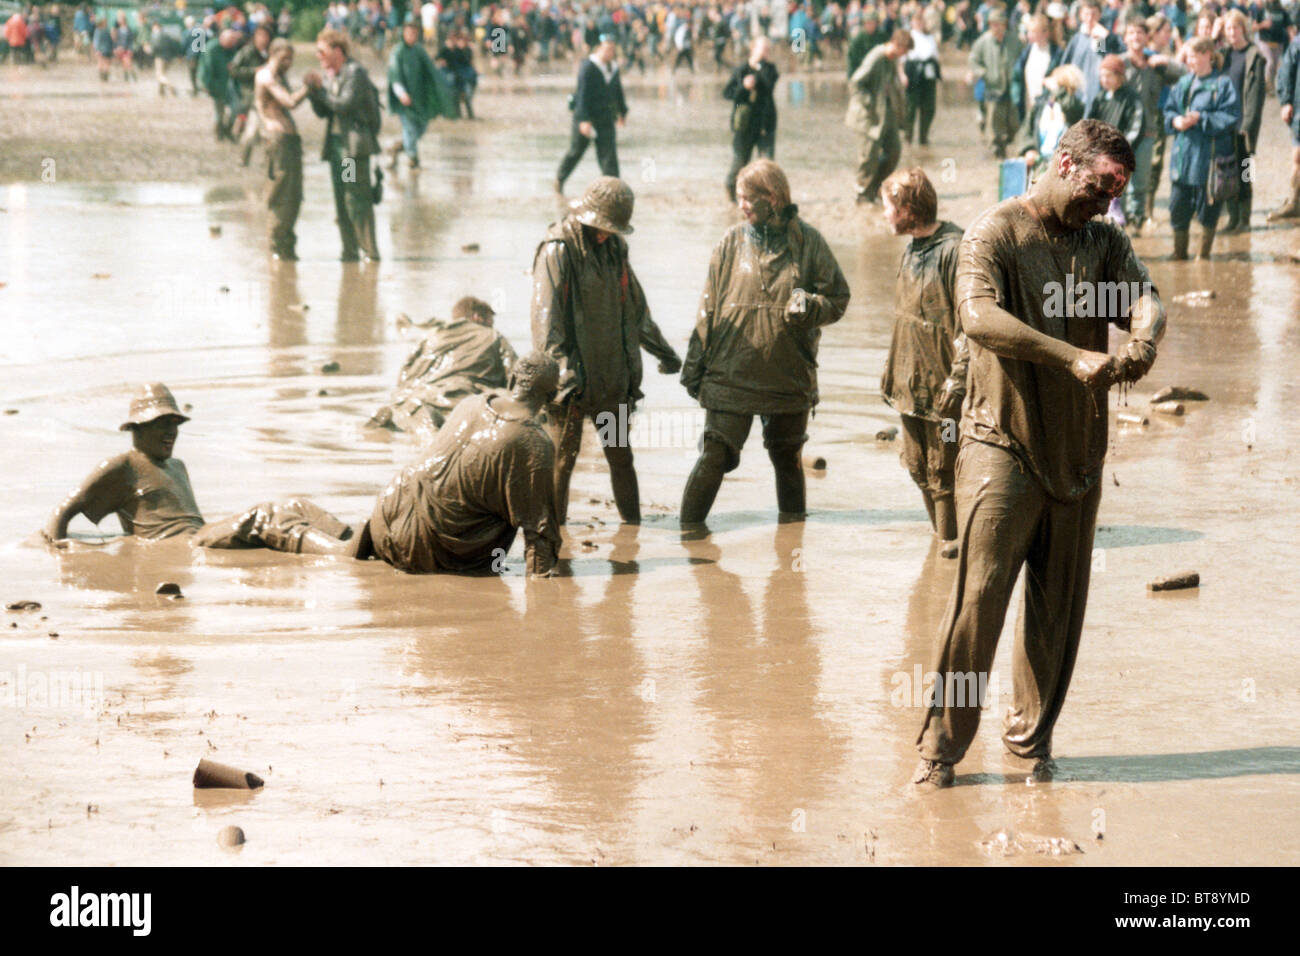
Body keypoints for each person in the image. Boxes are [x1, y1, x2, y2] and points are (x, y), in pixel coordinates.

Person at [912, 119, 1166, 792]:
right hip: (1002, 445)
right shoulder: (994, 232)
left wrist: (1144, 335)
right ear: (1062, 162)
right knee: (979, 601)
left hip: (1077, 452)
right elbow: (978, 318)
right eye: (1097, 185)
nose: (1104, 202)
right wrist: (1072, 355)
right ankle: (941, 751)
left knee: (1057, 609)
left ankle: (1030, 746)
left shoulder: (1103, 242)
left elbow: (1144, 297)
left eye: (1115, 191)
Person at [679, 160, 850, 525]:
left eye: (746, 198)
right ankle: (688, 537)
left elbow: (838, 297)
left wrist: (812, 306)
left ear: (771, 198)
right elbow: (707, 310)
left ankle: (791, 549)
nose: (740, 205)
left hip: (788, 374)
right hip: (730, 373)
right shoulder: (730, 242)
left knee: (787, 458)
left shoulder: (809, 242)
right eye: (738, 198)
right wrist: (694, 368)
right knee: (714, 455)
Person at [42, 384, 356, 556]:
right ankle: (341, 556)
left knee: (294, 505)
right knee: (264, 516)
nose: (170, 432)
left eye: (174, 423)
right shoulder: (124, 465)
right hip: (181, 546)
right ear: (137, 429)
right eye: (161, 424)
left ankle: (357, 540)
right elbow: (66, 509)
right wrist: (59, 549)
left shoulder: (177, 465)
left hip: (201, 533)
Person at [530, 177, 682, 525]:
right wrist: (565, 380)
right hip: (571, 385)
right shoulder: (557, 249)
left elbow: (636, 312)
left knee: (620, 455)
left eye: (611, 229)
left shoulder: (616, 250)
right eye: (599, 227)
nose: (603, 234)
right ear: (583, 214)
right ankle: (554, 543)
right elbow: (545, 323)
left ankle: (633, 530)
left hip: (611, 382)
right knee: (562, 462)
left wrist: (664, 352)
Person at [357, 351, 564, 576]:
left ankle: (355, 538)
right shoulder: (534, 443)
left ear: (512, 380)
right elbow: (540, 531)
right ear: (552, 396)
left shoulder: (471, 403)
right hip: (431, 557)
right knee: (512, 502)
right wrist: (543, 584)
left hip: (387, 515)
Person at [878, 168, 967, 558]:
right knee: (916, 468)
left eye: (889, 208)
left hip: (946, 396)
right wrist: (891, 375)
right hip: (910, 390)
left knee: (944, 471)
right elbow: (905, 321)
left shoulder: (956, 251)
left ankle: (952, 548)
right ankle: (942, 545)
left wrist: (957, 382)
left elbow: (970, 328)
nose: (884, 215)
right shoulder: (911, 248)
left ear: (910, 209)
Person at [369, 296, 520, 433]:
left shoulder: (431, 334)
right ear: (477, 317)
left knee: (408, 413)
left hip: (415, 394)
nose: (491, 326)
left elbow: (405, 373)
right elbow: (516, 377)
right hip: (460, 393)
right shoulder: (493, 336)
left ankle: (399, 416)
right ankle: (429, 419)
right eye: (490, 321)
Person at [304, 27, 383, 263]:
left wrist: (320, 90)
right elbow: (323, 111)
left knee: (355, 199)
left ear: (337, 51)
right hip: (336, 147)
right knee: (341, 199)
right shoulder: (333, 74)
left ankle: (369, 251)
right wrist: (313, 92)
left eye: (322, 51)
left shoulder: (354, 72)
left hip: (350, 150)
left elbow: (344, 105)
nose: (318, 56)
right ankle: (349, 252)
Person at [1164, 37, 1240, 260]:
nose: (1189, 60)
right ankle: (1179, 254)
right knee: (1177, 206)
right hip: (1183, 156)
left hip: (1209, 159)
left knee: (1209, 209)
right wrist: (1175, 121)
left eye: (1194, 55)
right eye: (1187, 56)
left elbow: (1231, 117)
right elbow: (1168, 111)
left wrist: (1201, 118)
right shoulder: (1183, 83)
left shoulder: (1223, 84)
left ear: (1208, 54)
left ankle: (1202, 257)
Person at [1120, 16, 1183, 235]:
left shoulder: (1155, 63)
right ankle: (1122, 223)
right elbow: (1099, 60)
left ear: (1147, 37)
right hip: (1121, 132)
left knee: (1142, 181)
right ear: (1125, 38)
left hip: (1147, 130)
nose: (1136, 37)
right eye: (1131, 33)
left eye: (1140, 33)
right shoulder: (1120, 63)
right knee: (1120, 181)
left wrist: (1166, 61)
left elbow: (1186, 74)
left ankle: (1137, 222)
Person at [255, 37, 311, 261]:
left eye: (291, 59)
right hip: (277, 139)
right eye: (284, 58)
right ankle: (277, 248)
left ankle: (286, 249)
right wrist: (309, 87)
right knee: (281, 194)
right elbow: (289, 101)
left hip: (288, 141)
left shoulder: (278, 76)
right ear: (273, 53)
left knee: (295, 195)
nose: (288, 62)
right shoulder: (266, 76)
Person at [554, 33, 627, 195]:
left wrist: (622, 111)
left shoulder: (613, 68)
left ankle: (613, 191)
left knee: (609, 156)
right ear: (600, 48)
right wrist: (583, 120)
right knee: (575, 151)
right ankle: (559, 180)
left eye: (612, 50)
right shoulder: (588, 67)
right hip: (587, 117)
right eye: (607, 49)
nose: (610, 53)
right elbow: (582, 95)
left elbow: (618, 92)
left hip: (606, 118)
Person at [846, 28, 912, 203]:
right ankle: (862, 194)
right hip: (867, 115)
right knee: (868, 157)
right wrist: (869, 103)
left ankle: (875, 187)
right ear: (897, 45)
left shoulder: (890, 59)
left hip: (884, 113)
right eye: (903, 51)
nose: (903, 56)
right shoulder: (876, 57)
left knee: (894, 151)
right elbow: (855, 83)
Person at [1218, 10, 1266, 234]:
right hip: (1224, 125)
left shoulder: (1254, 55)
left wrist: (1248, 125)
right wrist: (1215, 32)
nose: (1232, 32)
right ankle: (1233, 219)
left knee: (1246, 172)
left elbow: (1256, 96)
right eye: (1228, 29)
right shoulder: (1223, 54)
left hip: (1243, 126)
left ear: (1244, 28)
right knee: (1227, 173)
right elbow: (1201, 54)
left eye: (1236, 28)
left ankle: (1245, 220)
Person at [1085, 54, 1144, 226]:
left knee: (1120, 191)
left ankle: (1128, 223)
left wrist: (1121, 148)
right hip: (1101, 153)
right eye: (1102, 76)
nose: (1105, 80)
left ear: (1119, 76)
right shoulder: (1100, 97)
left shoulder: (1131, 97)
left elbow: (1136, 126)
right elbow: (1089, 123)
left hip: (1120, 154)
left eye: (1109, 76)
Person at [723, 35, 779, 202]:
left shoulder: (770, 69)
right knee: (740, 162)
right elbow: (727, 93)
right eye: (762, 48)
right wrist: (743, 87)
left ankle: (766, 200)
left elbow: (768, 86)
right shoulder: (741, 70)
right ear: (753, 48)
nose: (765, 51)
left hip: (765, 124)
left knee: (767, 165)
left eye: (768, 49)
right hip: (745, 125)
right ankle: (731, 192)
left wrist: (759, 68)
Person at [386, 18, 443, 170]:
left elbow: (430, 69)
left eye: (415, 33)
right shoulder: (397, 51)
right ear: (404, 33)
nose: (412, 36)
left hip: (420, 98)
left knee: (421, 127)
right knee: (409, 128)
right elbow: (394, 74)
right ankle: (413, 159)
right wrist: (401, 93)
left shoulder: (419, 50)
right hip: (404, 99)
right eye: (409, 32)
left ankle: (397, 148)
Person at [968, 9, 1023, 158]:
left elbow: (1022, 57)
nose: (996, 28)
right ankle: (997, 154)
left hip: (1012, 88)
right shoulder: (983, 42)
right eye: (993, 25)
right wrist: (983, 73)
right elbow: (973, 60)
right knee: (994, 125)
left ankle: (1008, 146)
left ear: (1005, 25)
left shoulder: (1014, 40)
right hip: (993, 88)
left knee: (1014, 124)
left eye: (999, 24)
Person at [1062, 0, 1124, 111]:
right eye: (1086, 14)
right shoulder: (1077, 38)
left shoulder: (1100, 37)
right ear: (1081, 15)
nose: (1090, 18)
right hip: (1076, 92)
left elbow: (1104, 57)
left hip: (1095, 91)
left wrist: (1105, 38)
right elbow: (1065, 64)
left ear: (1100, 15)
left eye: (1094, 14)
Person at [1269, 29, 1300, 222]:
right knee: (1298, 156)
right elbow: (1285, 71)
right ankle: (1295, 202)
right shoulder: (1298, 43)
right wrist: (1286, 101)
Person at [229, 25, 272, 165]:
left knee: (268, 132)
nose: (263, 39)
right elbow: (234, 70)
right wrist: (254, 71)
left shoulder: (271, 54)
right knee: (252, 131)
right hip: (251, 96)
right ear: (255, 37)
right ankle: (243, 159)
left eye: (266, 36)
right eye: (260, 36)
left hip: (269, 98)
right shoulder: (246, 52)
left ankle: (268, 160)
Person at [1012, 14, 1062, 124]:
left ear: (1045, 33)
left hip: (1047, 103)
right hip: (1029, 100)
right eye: (1029, 31)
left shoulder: (1056, 53)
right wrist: (1016, 97)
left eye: (1033, 32)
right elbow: (1017, 74)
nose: (1029, 35)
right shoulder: (1028, 50)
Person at [904, 9, 942, 146]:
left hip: (928, 74)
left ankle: (923, 136)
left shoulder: (930, 37)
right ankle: (908, 136)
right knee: (911, 107)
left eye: (921, 20)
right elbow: (902, 59)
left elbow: (936, 57)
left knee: (929, 107)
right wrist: (902, 75)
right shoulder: (908, 36)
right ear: (912, 22)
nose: (919, 23)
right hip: (913, 73)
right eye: (916, 20)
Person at [197, 28, 240, 141]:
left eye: (234, 41)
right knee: (219, 112)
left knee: (236, 108)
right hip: (216, 84)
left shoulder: (232, 48)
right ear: (222, 39)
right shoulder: (211, 49)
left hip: (229, 83)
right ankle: (219, 133)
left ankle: (227, 130)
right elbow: (205, 68)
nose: (233, 43)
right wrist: (205, 84)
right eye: (230, 41)